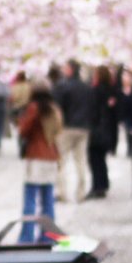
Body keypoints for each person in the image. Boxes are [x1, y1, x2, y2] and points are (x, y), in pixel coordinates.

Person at [13, 81, 62, 243]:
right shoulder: (54, 110)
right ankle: (49, 236)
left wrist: (22, 119)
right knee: (48, 200)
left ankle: (27, 236)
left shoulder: (34, 108)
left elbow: (24, 130)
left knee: (30, 199)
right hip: (51, 156)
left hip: (36, 157)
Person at [52, 60, 97, 202]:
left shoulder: (63, 87)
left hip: (66, 127)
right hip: (83, 128)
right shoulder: (87, 88)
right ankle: (81, 193)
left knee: (61, 161)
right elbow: (92, 108)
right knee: (81, 161)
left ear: (70, 69)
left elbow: (56, 108)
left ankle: (62, 192)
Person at [87, 64, 119, 197]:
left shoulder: (96, 91)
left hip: (97, 130)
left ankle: (97, 186)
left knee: (95, 159)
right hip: (108, 130)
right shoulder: (112, 91)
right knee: (101, 159)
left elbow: (93, 111)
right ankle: (103, 184)